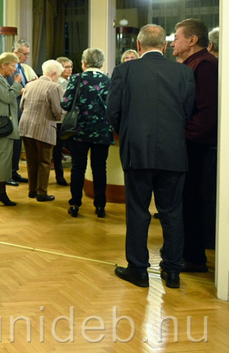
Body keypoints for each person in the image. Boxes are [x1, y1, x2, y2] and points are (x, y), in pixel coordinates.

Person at [107, 24, 195, 290]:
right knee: (172, 212)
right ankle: (172, 270)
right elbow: (188, 111)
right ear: (165, 45)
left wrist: (129, 132)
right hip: (174, 151)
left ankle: (138, 270)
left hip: (137, 151)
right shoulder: (184, 72)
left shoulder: (124, 71)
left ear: (138, 45)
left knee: (137, 211)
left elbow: (113, 112)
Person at [171, 18, 218, 273]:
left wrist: (183, 136)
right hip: (192, 144)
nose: (173, 42)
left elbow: (207, 112)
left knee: (193, 201)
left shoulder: (204, 65)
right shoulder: (193, 63)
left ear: (192, 40)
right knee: (187, 201)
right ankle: (188, 254)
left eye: (177, 37)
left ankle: (194, 258)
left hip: (196, 147)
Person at [61, 48, 112, 218]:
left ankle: (75, 204)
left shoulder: (76, 79)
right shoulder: (108, 80)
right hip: (102, 131)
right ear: (101, 63)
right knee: (100, 168)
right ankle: (100, 206)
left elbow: (65, 103)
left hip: (79, 131)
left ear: (83, 63)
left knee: (78, 167)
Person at [19, 60, 64, 202]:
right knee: (44, 161)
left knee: (31, 160)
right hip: (44, 127)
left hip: (26, 126)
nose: (58, 79)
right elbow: (58, 111)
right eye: (58, 76)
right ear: (54, 73)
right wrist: (59, 117)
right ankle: (42, 193)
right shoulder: (54, 87)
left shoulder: (29, 85)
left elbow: (22, 106)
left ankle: (32, 190)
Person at [0, 52, 23, 206]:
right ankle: (1, 192)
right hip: (3, 127)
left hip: (0, 126)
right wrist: (17, 84)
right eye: (13, 66)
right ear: (3, 65)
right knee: (3, 160)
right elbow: (8, 97)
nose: (14, 70)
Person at [9, 40, 36, 184]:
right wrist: (25, 90)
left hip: (22, 109)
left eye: (28, 54)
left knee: (18, 143)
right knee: (10, 144)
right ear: (16, 52)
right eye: (25, 54)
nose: (27, 57)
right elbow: (10, 90)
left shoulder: (23, 68)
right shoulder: (8, 68)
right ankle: (7, 174)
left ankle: (14, 171)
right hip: (11, 110)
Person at [52, 57, 73, 186]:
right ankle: (59, 176)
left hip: (71, 120)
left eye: (70, 67)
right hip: (59, 120)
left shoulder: (73, 81)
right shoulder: (56, 83)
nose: (69, 69)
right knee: (57, 149)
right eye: (66, 67)